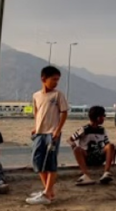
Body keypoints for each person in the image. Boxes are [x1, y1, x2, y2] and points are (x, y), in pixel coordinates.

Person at [26, 65, 69, 205]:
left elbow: (64, 112)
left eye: (57, 80)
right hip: (40, 133)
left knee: (50, 162)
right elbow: (37, 112)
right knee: (37, 161)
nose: (56, 82)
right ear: (44, 79)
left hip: (52, 133)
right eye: (53, 79)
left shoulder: (58, 95)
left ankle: (47, 193)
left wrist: (58, 130)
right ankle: (48, 191)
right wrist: (36, 127)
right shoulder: (36, 96)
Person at [68, 105, 116, 185]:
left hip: (99, 155)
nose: (104, 118)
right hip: (87, 156)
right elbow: (70, 139)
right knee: (77, 149)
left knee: (111, 146)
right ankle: (86, 175)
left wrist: (113, 150)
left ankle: (106, 173)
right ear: (98, 118)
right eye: (103, 116)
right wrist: (73, 145)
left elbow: (107, 144)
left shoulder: (102, 130)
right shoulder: (84, 129)